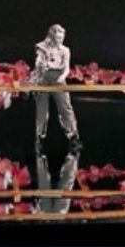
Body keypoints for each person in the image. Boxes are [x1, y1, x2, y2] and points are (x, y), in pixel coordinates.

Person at [32, 23, 81, 151]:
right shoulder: (42, 47)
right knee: (42, 108)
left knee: (65, 107)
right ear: (52, 36)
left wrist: (62, 77)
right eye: (58, 37)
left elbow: (66, 68)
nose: (60, 40)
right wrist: (41, 64)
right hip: (43, 77)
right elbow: (38, 63)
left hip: (58, 78)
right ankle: (39, 137)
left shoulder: (65, 50)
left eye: (62, 37)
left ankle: (73, 136)